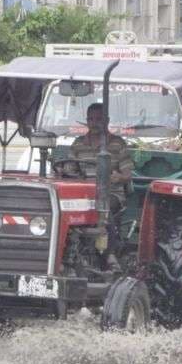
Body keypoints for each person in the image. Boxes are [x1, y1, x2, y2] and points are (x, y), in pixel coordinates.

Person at [69, 102, 134, 270]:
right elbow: (69, 170)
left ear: (107, 120)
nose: (94, 122)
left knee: (102, 205)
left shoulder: (117, 144)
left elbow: (128, 174)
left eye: (99, 119)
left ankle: (109, 252)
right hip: (83, 194)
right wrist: (67, 172)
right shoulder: (77, 144)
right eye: (91, 119)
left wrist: (117, 177)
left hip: (111, 193)